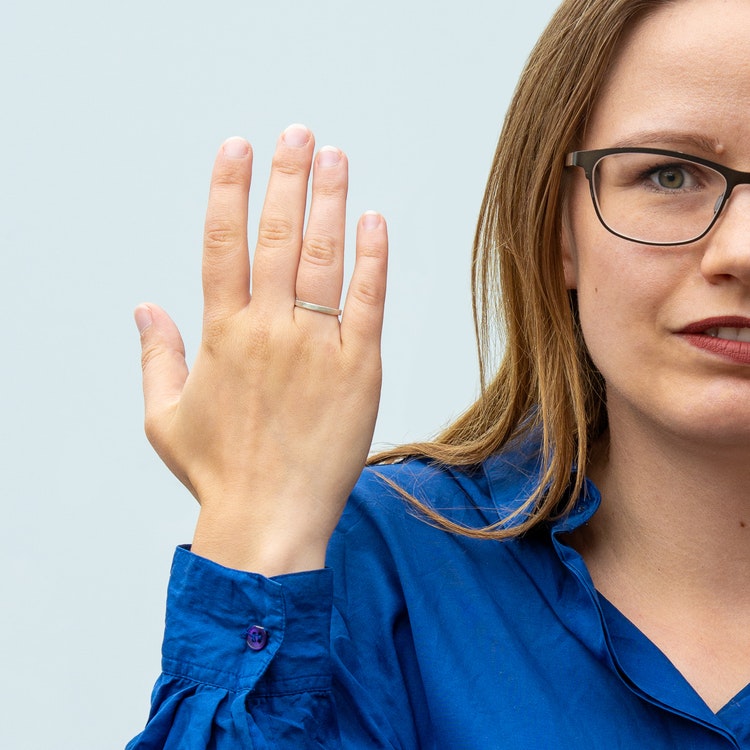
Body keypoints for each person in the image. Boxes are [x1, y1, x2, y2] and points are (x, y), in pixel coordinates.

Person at [127, 0, 750, 746]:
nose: (740, 252)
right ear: (557, 231)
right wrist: (256, 533)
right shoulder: (366, 564)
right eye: (670, 175)